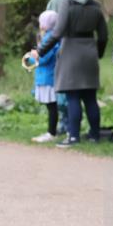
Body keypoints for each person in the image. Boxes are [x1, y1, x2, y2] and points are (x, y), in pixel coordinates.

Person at [37, 0, 108, 147]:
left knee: (73, 97)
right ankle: (94, 135)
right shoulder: (95, 5)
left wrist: (40, 51)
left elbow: (57, 32)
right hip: (89, 53)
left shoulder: (66, 3)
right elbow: (104, 35)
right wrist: (97, 53)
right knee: (90, 98)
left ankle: (73, 137)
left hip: (71, 52)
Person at [29, 10, 65, 143]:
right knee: (52, 106)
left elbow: (43, 59)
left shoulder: (50, 39)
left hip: (48, 78)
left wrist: (32, 58)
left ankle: (51, 132)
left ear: (45, 24)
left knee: (51, 106)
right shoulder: (52, 36)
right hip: (47, 76)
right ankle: (53, 131)